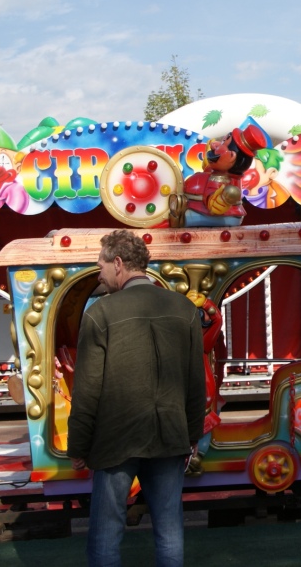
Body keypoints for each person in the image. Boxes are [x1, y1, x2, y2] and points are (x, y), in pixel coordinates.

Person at [67, 230, 207, 567]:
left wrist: (78, 448)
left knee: (105, 534)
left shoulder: (100, 314)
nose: (99, 275)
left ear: (118, 263)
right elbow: (195, 383)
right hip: (170, 436)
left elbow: (87, 390)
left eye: (100, 266)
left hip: (116, 439)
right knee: (169, 531)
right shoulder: (184, 308)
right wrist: (190, 436)